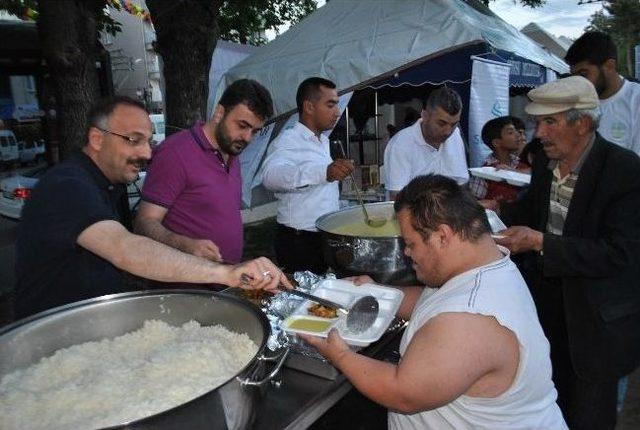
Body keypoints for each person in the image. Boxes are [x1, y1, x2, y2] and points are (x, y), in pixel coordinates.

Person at [302, 174, 566, 429]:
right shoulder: (482, 266)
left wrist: (339, 355)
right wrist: (375, 292)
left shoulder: (470, 321)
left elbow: (402, 393)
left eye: (411, 244)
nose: (406, 252)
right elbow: (433, 301)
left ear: (442, 235)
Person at [14, 96, 289, 319]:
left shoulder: (104, 183)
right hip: (52, 340)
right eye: (133, 140)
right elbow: (125, 247)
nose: (147, 154)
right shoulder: (67, 185)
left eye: (148, 141)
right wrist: (225, 272)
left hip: (89, 326)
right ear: (97, 139)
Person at [484, 76, 640, 429]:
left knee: (590, 415)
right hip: (550, 309)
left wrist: (541, 243)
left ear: (582, 123)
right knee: (551, 406)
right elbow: (529, 212)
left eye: (549, 122)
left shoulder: (624, 170)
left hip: (597, 323)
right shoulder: (546, 163)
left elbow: (620, 254)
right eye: (538, 122)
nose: (538, 133)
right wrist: (488, 214)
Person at [134, 79, 273, 265]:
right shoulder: (175, 153)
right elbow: (144, 223)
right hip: (186, 285)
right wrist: (186, 245)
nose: (247, 138)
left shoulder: (233, 152)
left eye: (255, 131)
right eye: (242, 125)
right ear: (219, 112)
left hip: (224, 279)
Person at [261, 77, 354, 274]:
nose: (337, 112)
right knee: (303, 301)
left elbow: (319, 192)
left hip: (324, 236)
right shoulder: (288, 140)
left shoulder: (323, 142)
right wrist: (324, 172)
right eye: (330, 105)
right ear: (309, 107)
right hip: (299, 241)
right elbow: (270, 177)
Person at [384, 87, 468, 199]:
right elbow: (398, 199)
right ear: (424, 115)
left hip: (453, 213)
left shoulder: (455, 136)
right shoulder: (400, 145)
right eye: (441, 123)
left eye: (454, 124)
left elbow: (461, 185)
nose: (448, 131)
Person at [566, 31, 640, 155]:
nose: (578, 83)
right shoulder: (574, 104)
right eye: (574, 76)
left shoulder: (636, 101)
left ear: (609, 66)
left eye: (583, 74)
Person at [468, 116, 529, 202]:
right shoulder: (484, 173)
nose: (518, 135)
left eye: (516, 131)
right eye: (511, 133)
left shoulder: (523, 165)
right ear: (496, 142)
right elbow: (474, 203)